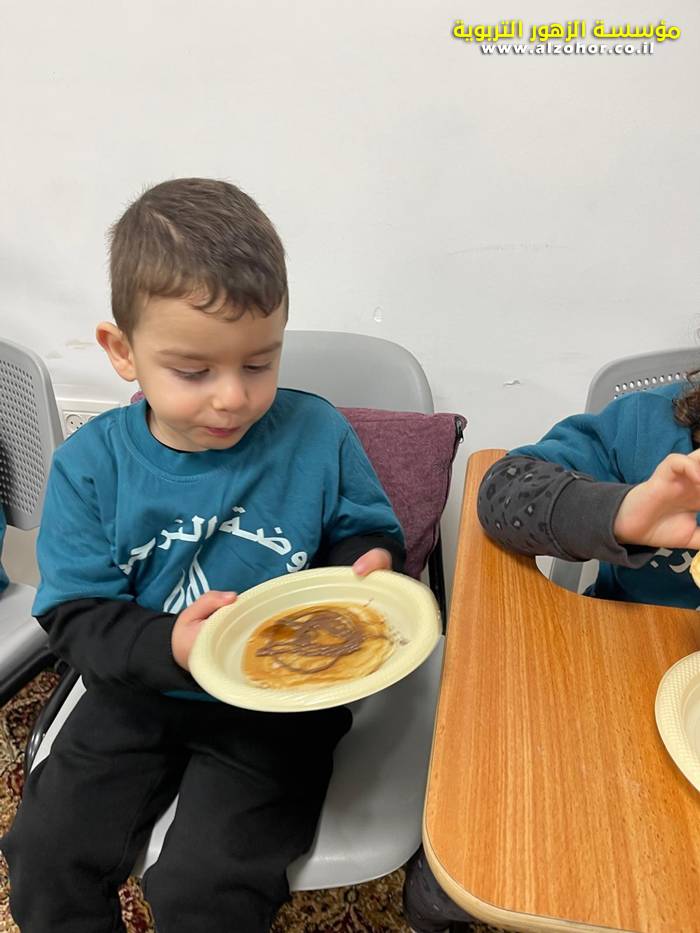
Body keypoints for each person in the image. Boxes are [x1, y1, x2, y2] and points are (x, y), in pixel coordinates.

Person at [2, 177, 405, 933]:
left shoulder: (317, 434)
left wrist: (371, 561)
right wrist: (173, 645)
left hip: (276, 700)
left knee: (207, 885)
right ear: (122, 351)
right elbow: (76, 614)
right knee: (46, 857)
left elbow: (365, 530)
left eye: (259, 364)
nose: (232, 397)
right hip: (135, 688)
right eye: (194, 372)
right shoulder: (90, 467)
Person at [403, 373, 700, 931]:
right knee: (477, 854)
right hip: (613, 683)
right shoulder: (651, 428)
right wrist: (622, 513)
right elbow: (504, 490)